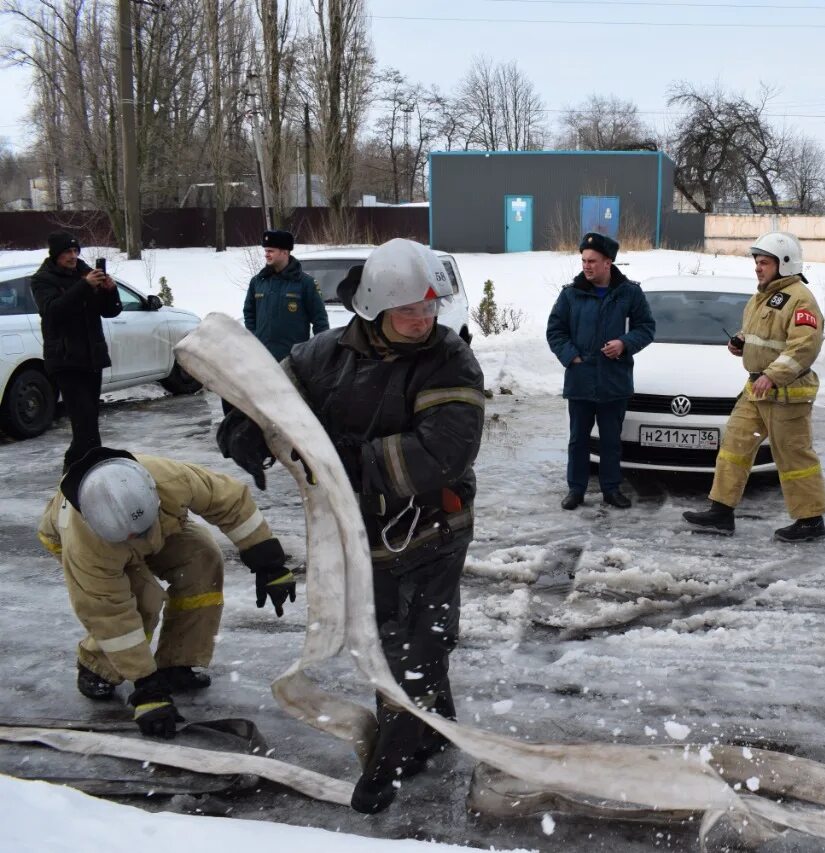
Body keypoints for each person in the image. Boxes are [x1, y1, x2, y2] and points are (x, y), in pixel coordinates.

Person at [220, 238, 485, 814]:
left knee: (417, 640)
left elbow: (446, 449)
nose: (423, 320)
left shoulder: (450, 359)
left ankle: (391, 757)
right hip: (363, 529)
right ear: (372, 308)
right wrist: (244, 429)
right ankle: (432, 728)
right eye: (409, 310)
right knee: (391, 630)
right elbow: (266, 394)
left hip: (432, 526)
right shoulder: (324, 354)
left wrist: (346, 458)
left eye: (429, 308)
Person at [36, 447, 296, 739]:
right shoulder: (86, 547)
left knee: (202, 559)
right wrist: (147, 689)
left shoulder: (171, 479)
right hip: (94, 544)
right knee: (142, 598)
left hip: (162, 529)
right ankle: (97, 667)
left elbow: (230, 500)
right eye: (131, 536)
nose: (137, 538)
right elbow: (108, 612)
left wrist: (268, 563)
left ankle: (176, 663)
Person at [682, 232, 825, 543]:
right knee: (734, 447)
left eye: (764, 263)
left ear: (785, 264)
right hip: (757, 389)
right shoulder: (762, 296)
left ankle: (810, 520)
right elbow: (757, 331)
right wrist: (741, 341)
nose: (758, 268)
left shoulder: (801, 299)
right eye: (757, 262)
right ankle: (721, 512)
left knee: (794, 457)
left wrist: (773, 375)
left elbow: (804, 347)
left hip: (787, 394)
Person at [545, 232, 655, 511]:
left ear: (608, 262)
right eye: (583, 260)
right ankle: (576, 490)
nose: (586, 266)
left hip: (614, 381)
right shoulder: (571, 294)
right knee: (578, 440)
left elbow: (646, 328)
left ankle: (611, 489)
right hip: (580, 380)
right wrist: (572, 357)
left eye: (592, 261)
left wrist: (624, 344)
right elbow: (555, 331)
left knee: (610, 441)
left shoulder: (629, 293)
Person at [31, 231, 123, 471]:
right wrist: (84, 286)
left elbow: (110, 311)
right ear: (56, 255)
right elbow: (52, 312)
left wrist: (109, 291)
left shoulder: (85, 273)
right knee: (84, 422)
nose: (73, 256)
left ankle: (83, 469)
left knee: (90, 420)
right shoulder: (43, 280)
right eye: (67, 253)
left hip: (91, 358)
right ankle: (80, 471)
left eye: (75, 251)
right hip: (65, 360)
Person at [243, 229, 329, 361]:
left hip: (294, 360)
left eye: (271, 251)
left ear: (284, 252)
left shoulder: (305, 283)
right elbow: (249, 314)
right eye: (265, 251)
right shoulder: (257, 282)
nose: (266, 255)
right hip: (263, 359)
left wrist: (321, 352)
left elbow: (320, 321)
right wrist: (255, 339)